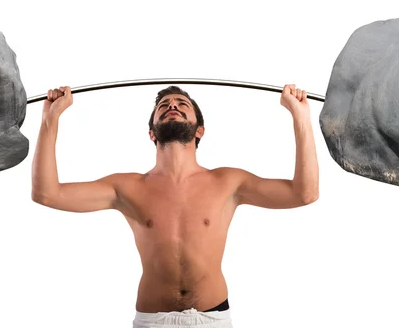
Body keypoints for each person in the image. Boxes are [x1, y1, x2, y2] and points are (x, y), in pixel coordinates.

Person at [31, 84, 319, 328]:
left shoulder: (228, 182)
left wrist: (300, 117)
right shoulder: (127, 187)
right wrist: (50, 120)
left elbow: (304, 193)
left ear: (200, 130)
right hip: (151, 320)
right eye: (164, 105)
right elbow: (47, 194)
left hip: (213, 319)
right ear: (152, 133)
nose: (172, 106)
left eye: (182, 103)